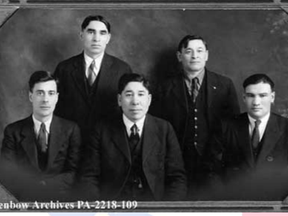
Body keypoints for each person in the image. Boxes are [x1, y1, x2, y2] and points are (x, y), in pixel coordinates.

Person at [151, 34, 240, 199]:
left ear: (206, 55)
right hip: (177, 162)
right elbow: (156, 128)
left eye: (200, 51)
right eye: (189, 51)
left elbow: (234, 128)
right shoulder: (164, 88)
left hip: (215, 165)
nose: (194, 56)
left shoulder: (224, 85)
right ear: (179, 56)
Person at [79, 73, 187, 201]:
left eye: (141, 94)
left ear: (149, 100)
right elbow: (89, 177)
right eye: (129, 95)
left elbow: (177, 178)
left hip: (154, 206)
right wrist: (99, 209)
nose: (135, 101)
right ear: (119, 100)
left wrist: (167, 210)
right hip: (113, 207)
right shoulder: (102, 130)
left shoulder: (164, 129)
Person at [0, 71, 81, 201]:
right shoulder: (13, 131)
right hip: (25, 200)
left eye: (51, 93)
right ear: (31, 96)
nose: (45, 99)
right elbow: (7, 172)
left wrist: (45, 186)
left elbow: (74, 171)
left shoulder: (71, 129)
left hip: (60, 201)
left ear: (57, 97)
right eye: (40, 93)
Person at [53, 15, 132, 143]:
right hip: (71, 142)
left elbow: (127, 110)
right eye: (91, 32)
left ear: (108, 38)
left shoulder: (122, 69)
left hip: (109, 143)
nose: (96, 38)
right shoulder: (64, 68)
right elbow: (56, 109)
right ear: (81, 35)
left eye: (102, 33)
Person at [215, 74, 288, 200]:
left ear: (272, 97)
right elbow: (212, 169)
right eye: (251, 96)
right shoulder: (226, 127)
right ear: (244, 97)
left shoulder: (286, 127)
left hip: (276, 204)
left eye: (262, 96)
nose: (256, 102)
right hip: (234, 202)